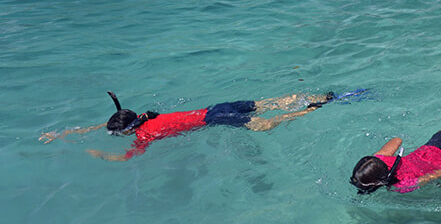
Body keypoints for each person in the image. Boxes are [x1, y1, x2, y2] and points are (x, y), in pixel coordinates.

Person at [40, 90, 335, 160]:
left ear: (128, 130)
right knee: (266, 103)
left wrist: (102, 155)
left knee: (266, 125)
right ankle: (316, 95)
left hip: (215, 118)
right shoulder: (145, 117)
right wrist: (67, 133)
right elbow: (105, 125)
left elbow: (128, 157)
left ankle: (311, 110)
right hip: (214, 108)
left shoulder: (146, 134)